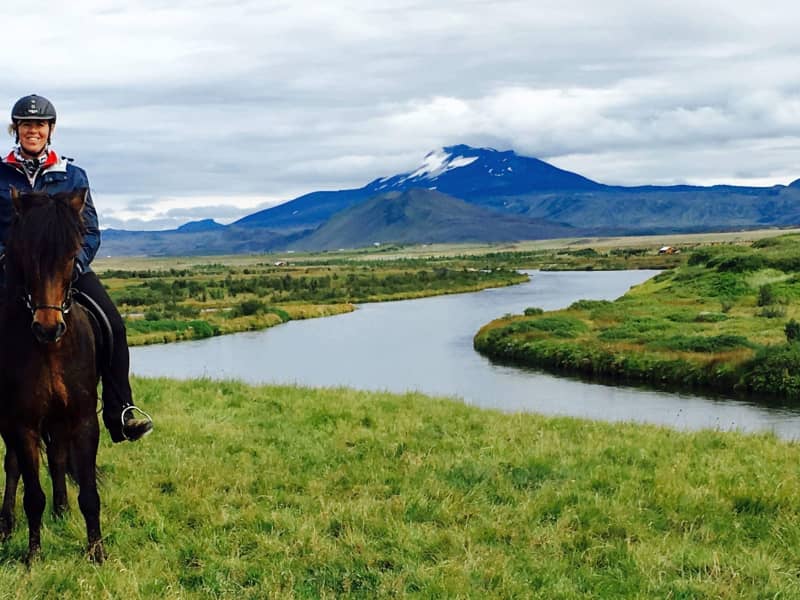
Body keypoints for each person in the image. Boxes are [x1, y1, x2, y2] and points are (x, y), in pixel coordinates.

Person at [0, 94, 153, 443]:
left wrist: (71, 267)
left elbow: (90, 232)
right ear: (16, 129)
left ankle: (121, 410)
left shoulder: (72, 175)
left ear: (50, 130)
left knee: (113, 326)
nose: (32, 130)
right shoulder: (0, 173)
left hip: (62, 274)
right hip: (12, 273)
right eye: (26, 124)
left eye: (39, 125)